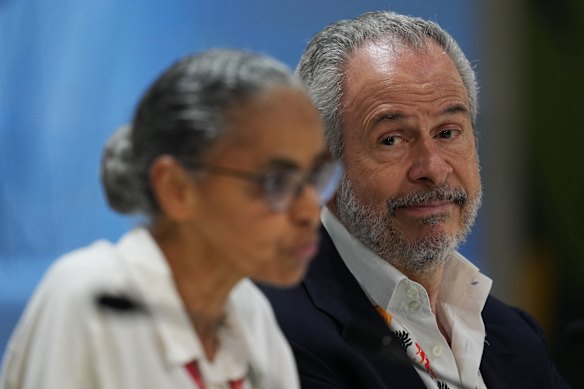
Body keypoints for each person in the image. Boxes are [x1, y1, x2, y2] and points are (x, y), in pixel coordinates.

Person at [260, 11, 569, 389]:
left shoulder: (515, 335)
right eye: (392, 139)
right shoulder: (270, 331)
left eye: (448, 132)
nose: (433, 168)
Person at [0, 49, 343, 389]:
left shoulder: (250, 312)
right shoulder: (91, 293)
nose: (309, 211)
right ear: (176, 189)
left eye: (315, 176)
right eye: (277, 182)